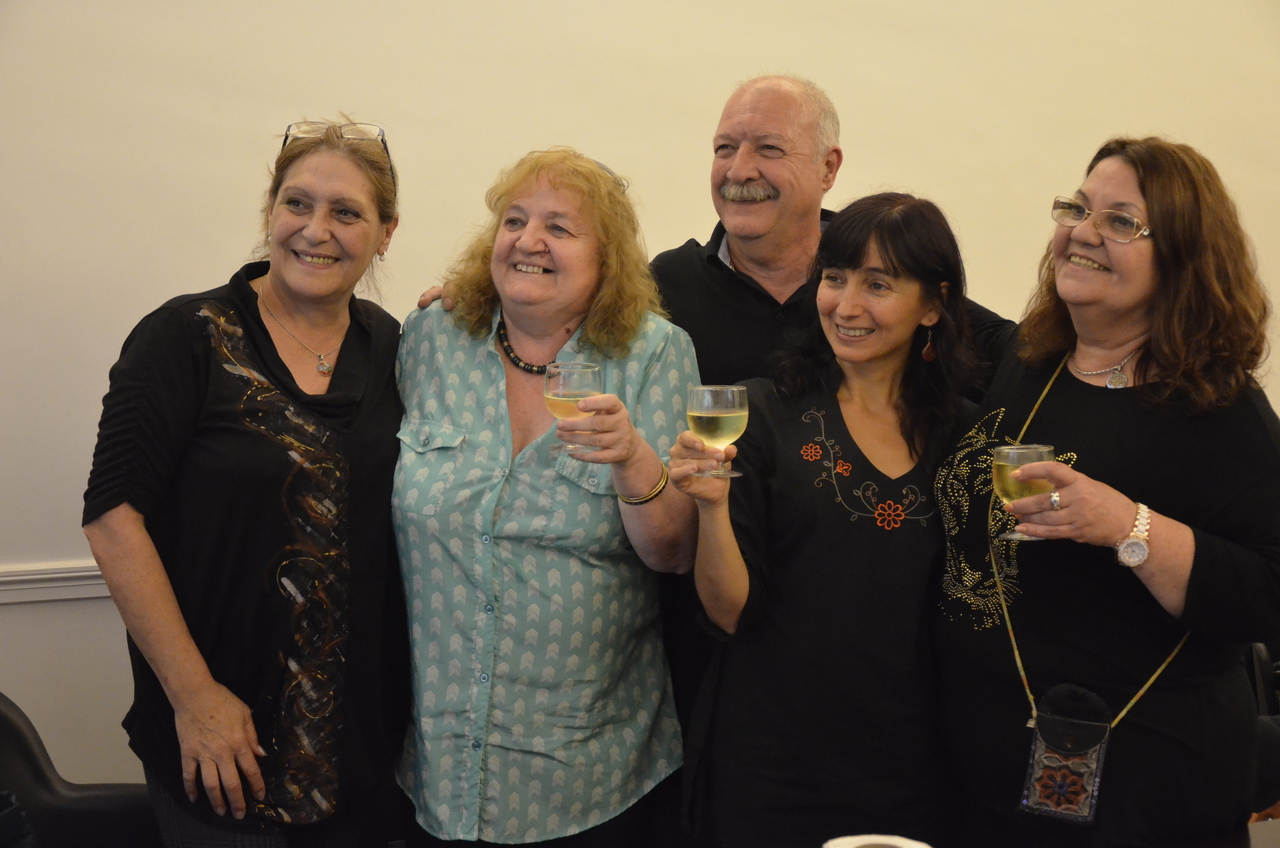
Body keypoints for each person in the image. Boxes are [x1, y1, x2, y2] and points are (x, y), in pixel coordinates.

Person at [935, 137, 1280, 846]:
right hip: (990, 768)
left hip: (1144, 784)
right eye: (1078, 208)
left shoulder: (1221, 409)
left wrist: (1129, 525)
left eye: (1120, 221)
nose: (1084, 232)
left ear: (1183, 258)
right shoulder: (1031, 364)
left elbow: (1270, 593)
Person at [82, 120, 409, 847]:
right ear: (270, 211)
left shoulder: (398, 347)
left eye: (346, 212)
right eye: (297, 203)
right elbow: (113, 518)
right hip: (223, 749)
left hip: (367, 750)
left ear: (386, 233)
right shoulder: (185, 336)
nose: (315, 230)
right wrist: (194, 697)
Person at [393, 147, 700, 846]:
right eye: (515, 221)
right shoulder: (431, 339)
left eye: (559, 227)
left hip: (592, 778)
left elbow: (675, 553)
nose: (529, 240)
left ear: (607, 259)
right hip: (440, 772)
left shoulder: (653, 354)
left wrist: (632, 458)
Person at [669, 193, 976, 848]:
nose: (847, 305)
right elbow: (729, 613)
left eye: (878, 285)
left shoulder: (965, 438)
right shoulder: (762, 413)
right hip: (771, 768)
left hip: (912, 769)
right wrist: (711, 507)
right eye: (835, 278)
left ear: (933, 305)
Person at [649, 74, 843, 386]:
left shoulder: (875, 283)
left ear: (827, 169)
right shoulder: (664, 286)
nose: (738, 171)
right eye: (725, 148)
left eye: (769, 148)